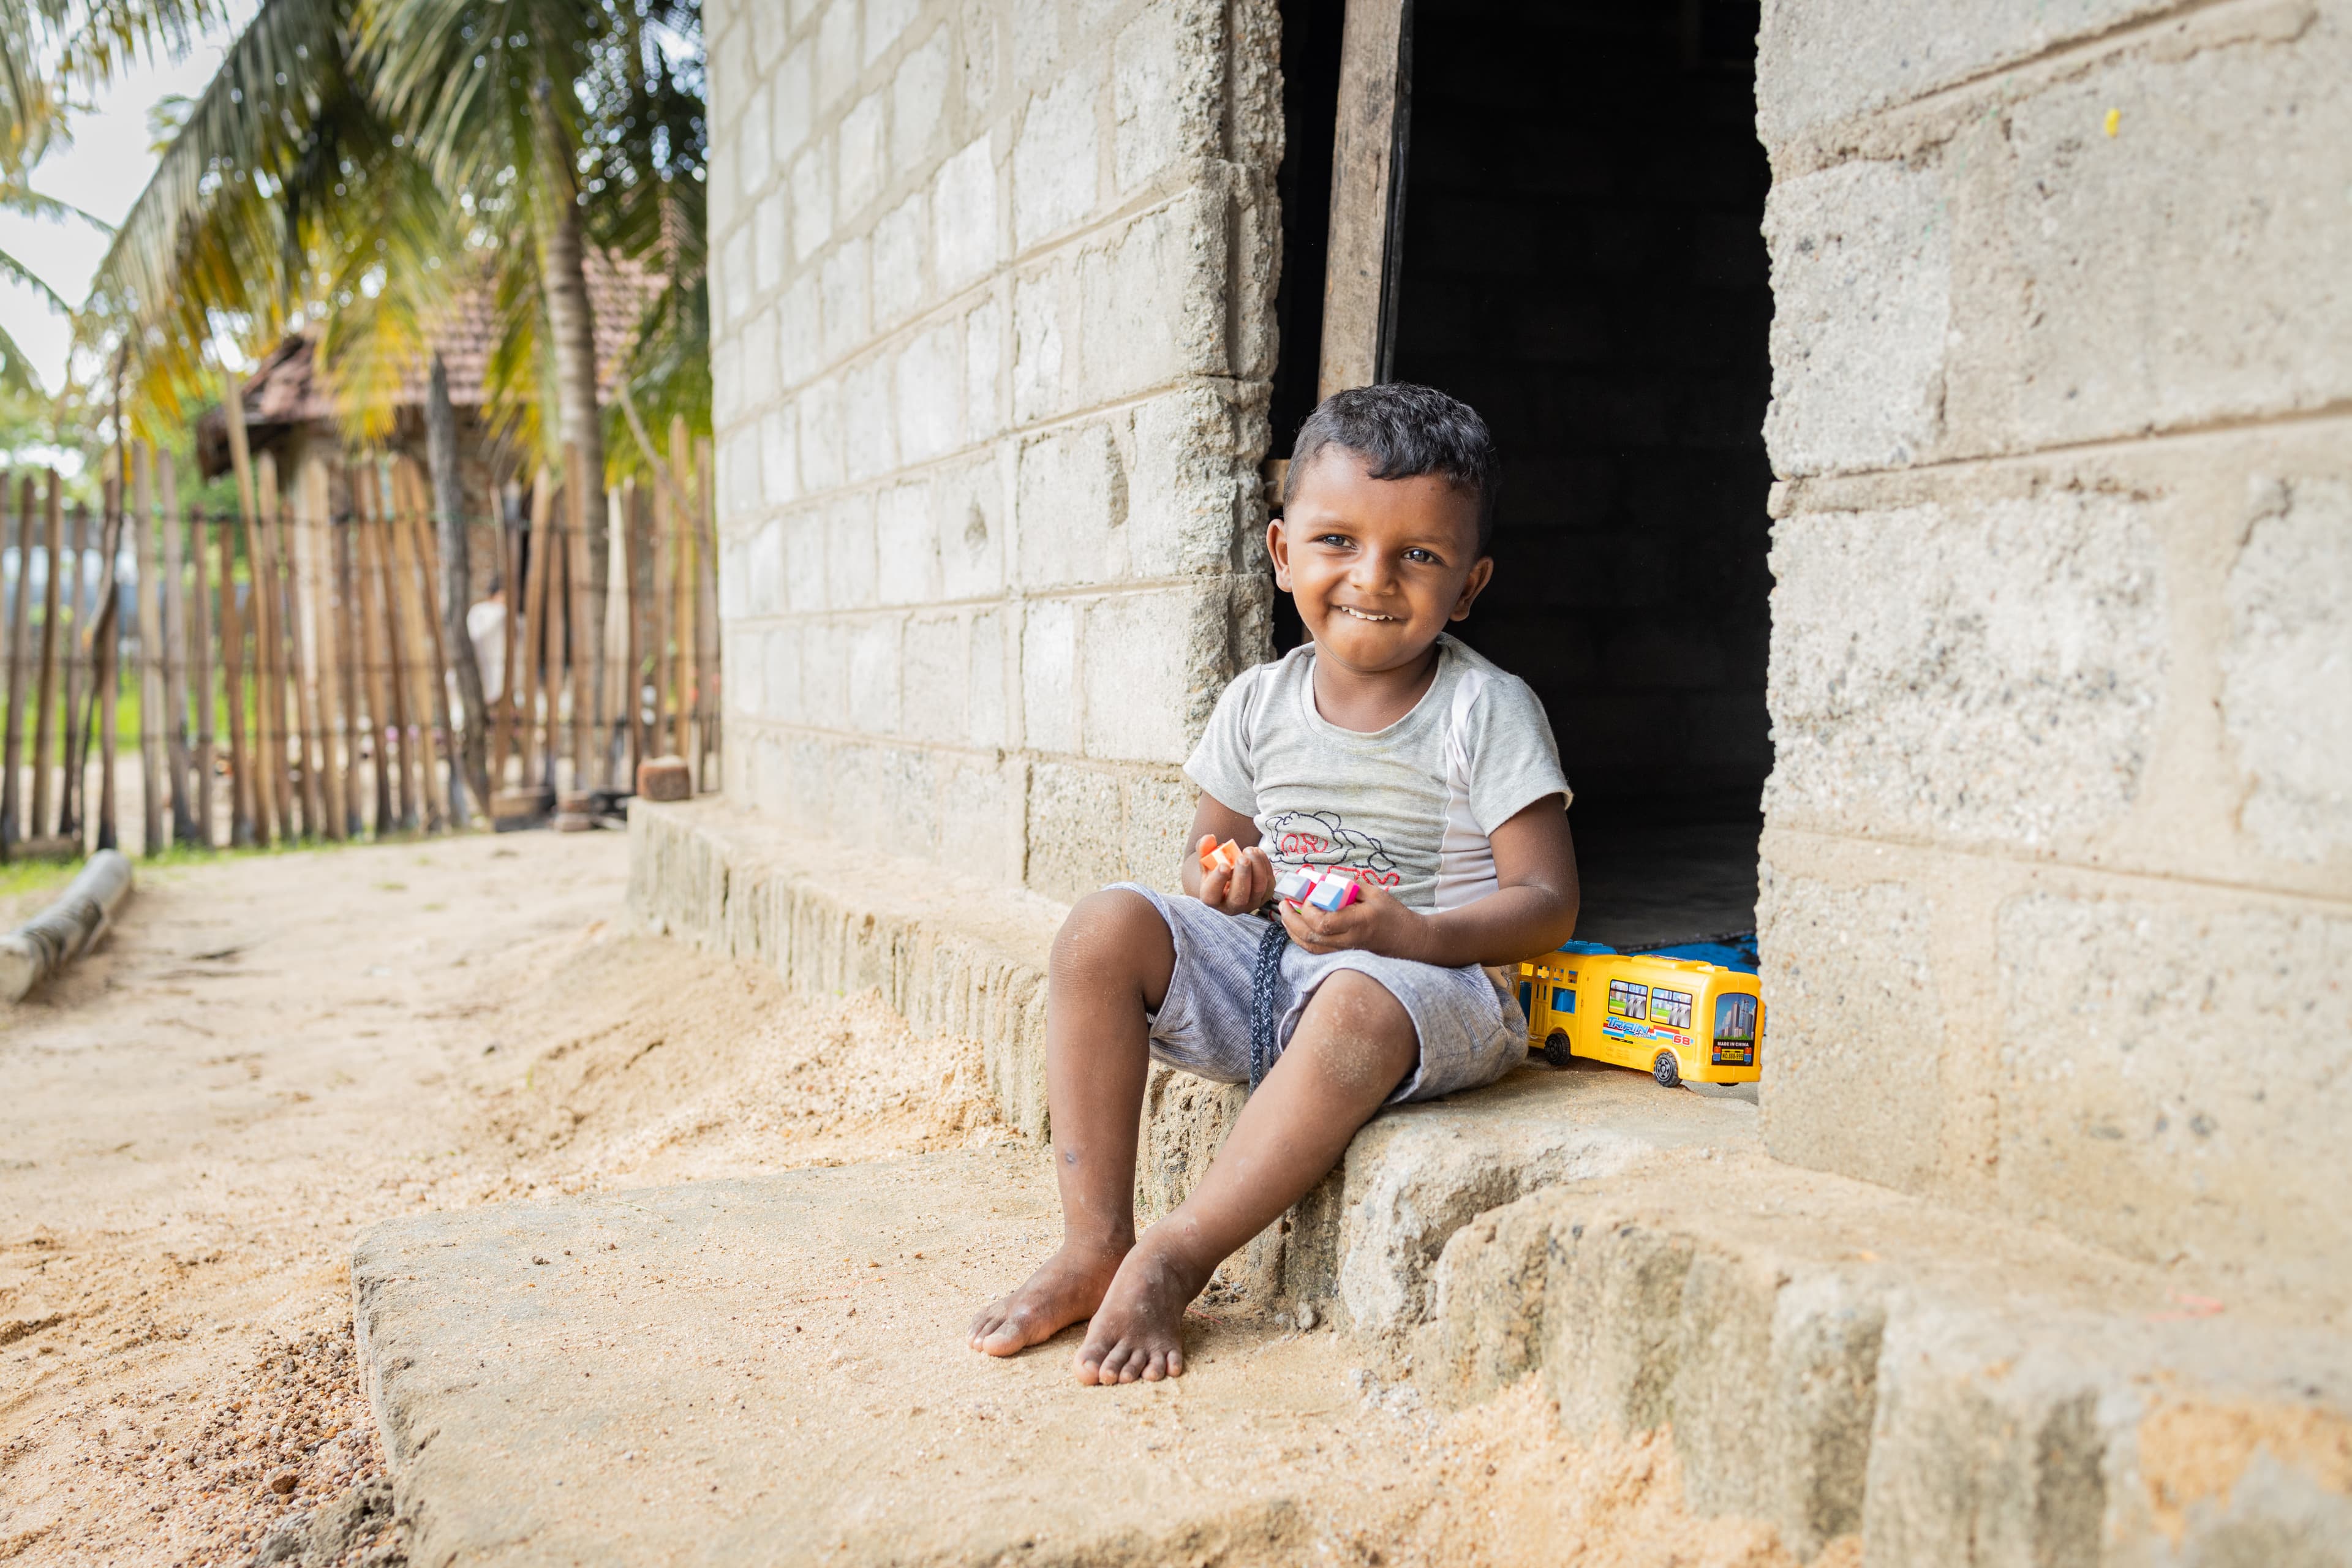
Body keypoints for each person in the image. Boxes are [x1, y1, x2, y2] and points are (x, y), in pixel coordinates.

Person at [968, 384, 1580, 1384]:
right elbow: (1206, 853)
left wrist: (1409, 936)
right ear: (1283, 551)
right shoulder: (1260, 700)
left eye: (1419, 555)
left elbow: (1549, 902)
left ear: (1468, 586)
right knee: (1100, 929)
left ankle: (1176, 1256)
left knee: (1355, 1000)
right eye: (1337, 540)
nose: (1372, 577)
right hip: (1274, 968)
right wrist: (1230, 881)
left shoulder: (1487, 709)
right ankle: (1093, 1244)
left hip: (1428, 994)